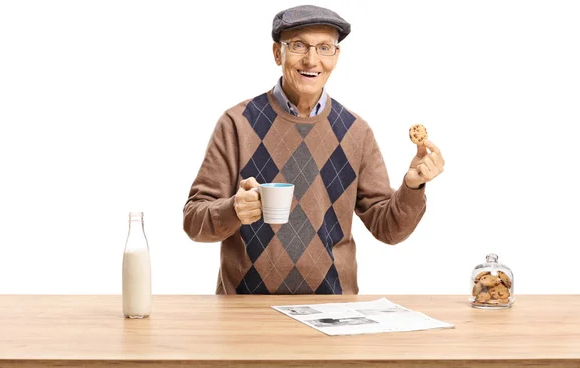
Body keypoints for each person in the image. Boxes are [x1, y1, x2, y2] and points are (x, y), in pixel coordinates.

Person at [183, 5, 445, 295]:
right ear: (276, 53)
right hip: (247, 312)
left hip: (334, 310)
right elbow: (194, 221)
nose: (311, 60)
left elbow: (389, 229)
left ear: (336, 57)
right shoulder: (237, 123)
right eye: (298, 45)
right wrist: (233, 209)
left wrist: (412, 185)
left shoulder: (356, 131)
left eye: (324, 47)